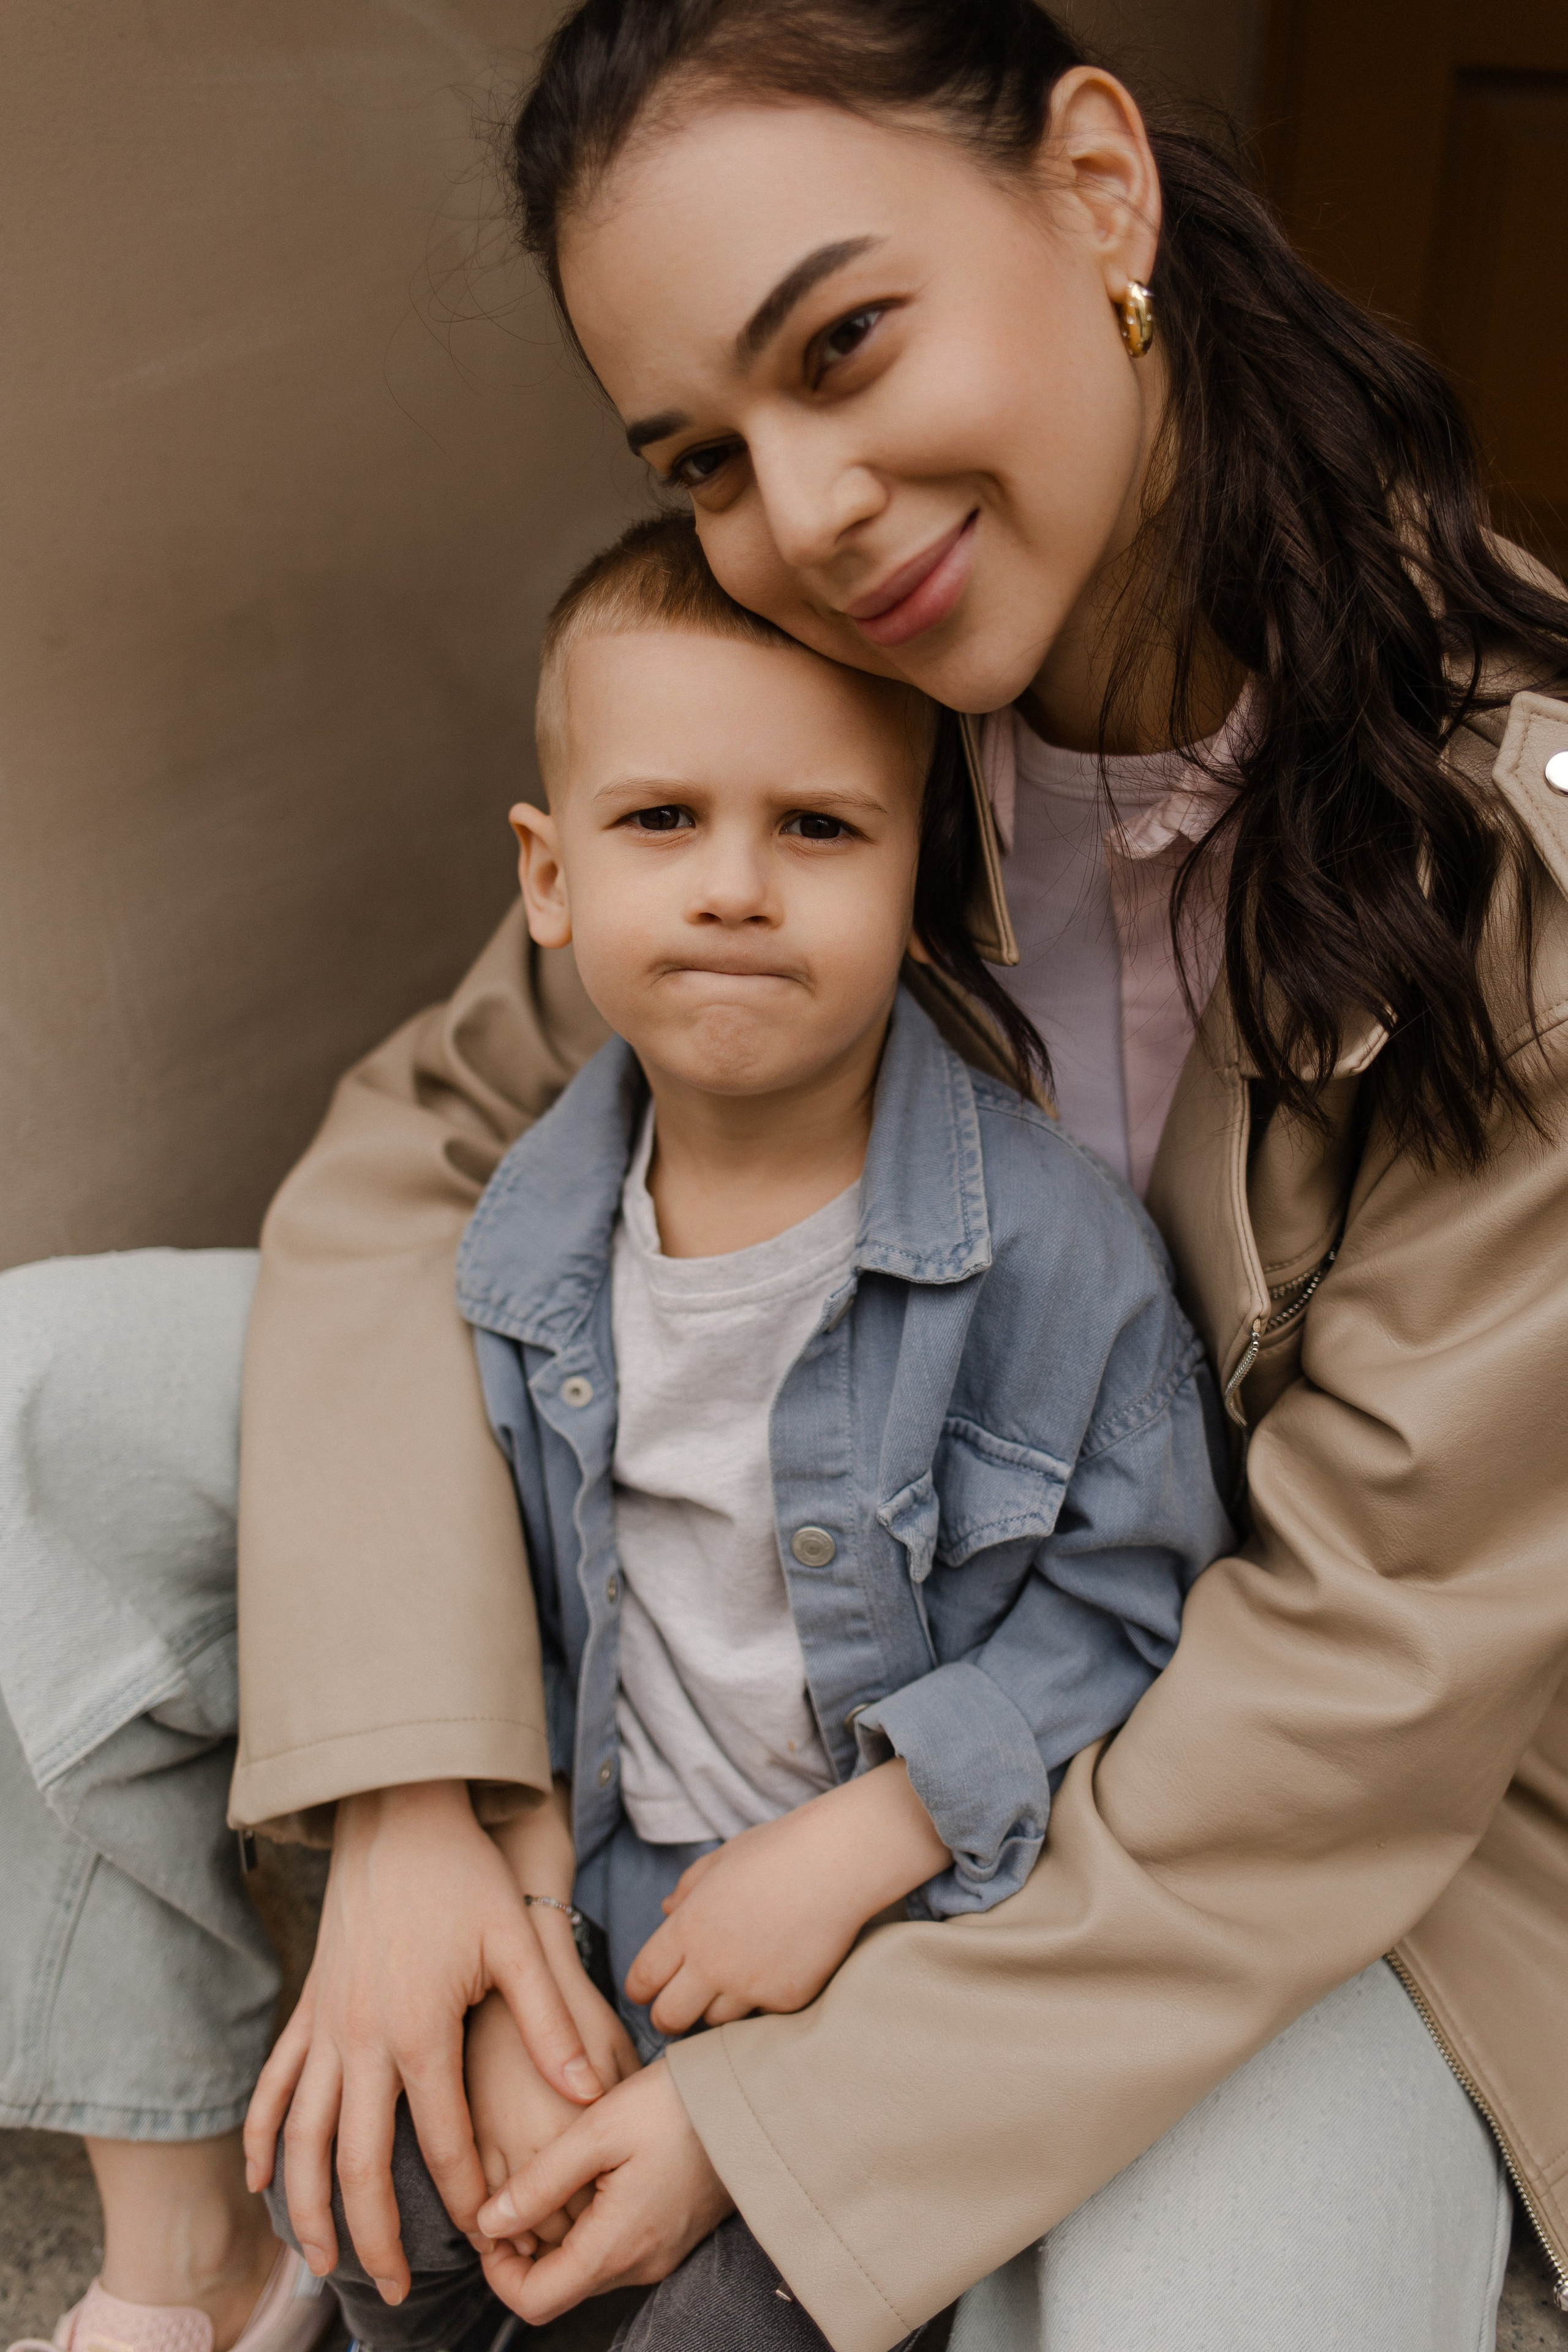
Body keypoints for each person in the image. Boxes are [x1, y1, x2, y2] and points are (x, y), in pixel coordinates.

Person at [5, 0, 1568, 2346]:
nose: (808, 514)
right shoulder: (833, 721)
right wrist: (426, 1786)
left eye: (844, 344)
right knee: (47, 1389)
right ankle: (210, 2275)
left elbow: (1364, 1678)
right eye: (706, 452)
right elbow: (420, 1149)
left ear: (1099, 191)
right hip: (778, 1605)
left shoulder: (1510, 859)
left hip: (1282, 1826)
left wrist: (794, 2115)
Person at [253, 510, 1229, 2349]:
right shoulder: (527, 1242)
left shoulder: (1056, 1264)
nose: (732, 886)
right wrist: (525, 1913)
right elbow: (541, 1604)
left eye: (820, 830)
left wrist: (877, 1832)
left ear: (924, 883)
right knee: (405, 2185)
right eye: (660, 823)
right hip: (614, 1890)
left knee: (732, 2316)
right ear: (547, 878)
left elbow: (1135, 1617)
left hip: (893, 1952)